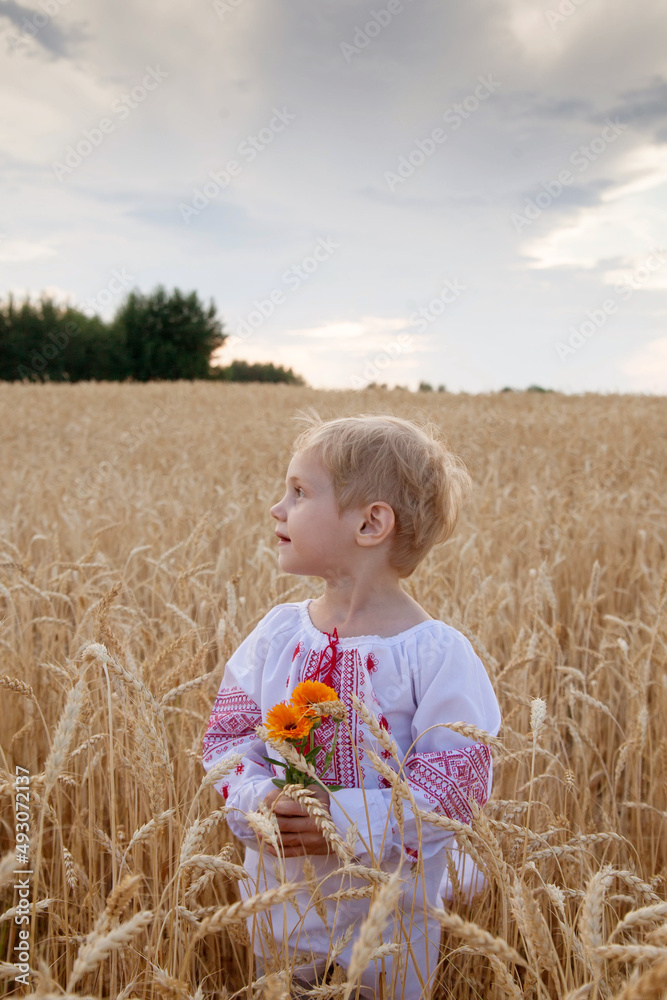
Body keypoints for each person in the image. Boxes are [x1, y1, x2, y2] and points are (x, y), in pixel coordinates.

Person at [202, 412, 501, 999]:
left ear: (371, 523)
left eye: (299, 492)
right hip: (282, 902)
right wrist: (261, 801)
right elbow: (226, 740)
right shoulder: (275, 635)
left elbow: (457, 781)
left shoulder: (437, 655)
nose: (276, 509)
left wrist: (340, 819)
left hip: (390, 920)